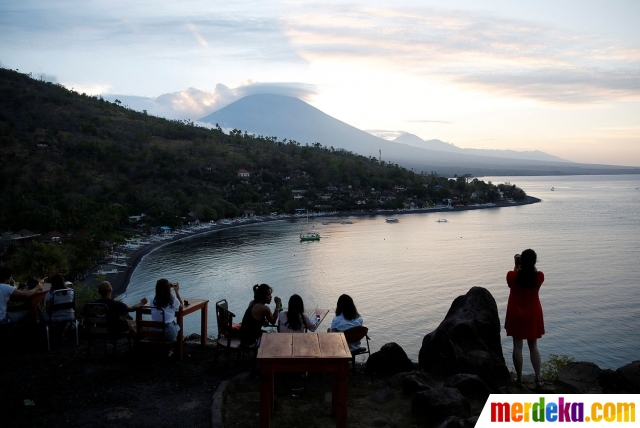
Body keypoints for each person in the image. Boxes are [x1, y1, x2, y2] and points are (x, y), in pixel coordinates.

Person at [504, 249, 545, 388]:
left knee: (517, 346)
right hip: (533, 314)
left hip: (516, 313)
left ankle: (520, 379)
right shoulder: (539, 276)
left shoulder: (512, 275)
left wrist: (516, 266)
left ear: (521, 261)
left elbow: (511, 282)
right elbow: (531, 275)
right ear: (534, 261)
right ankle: (538, 379)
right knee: (533, 346)